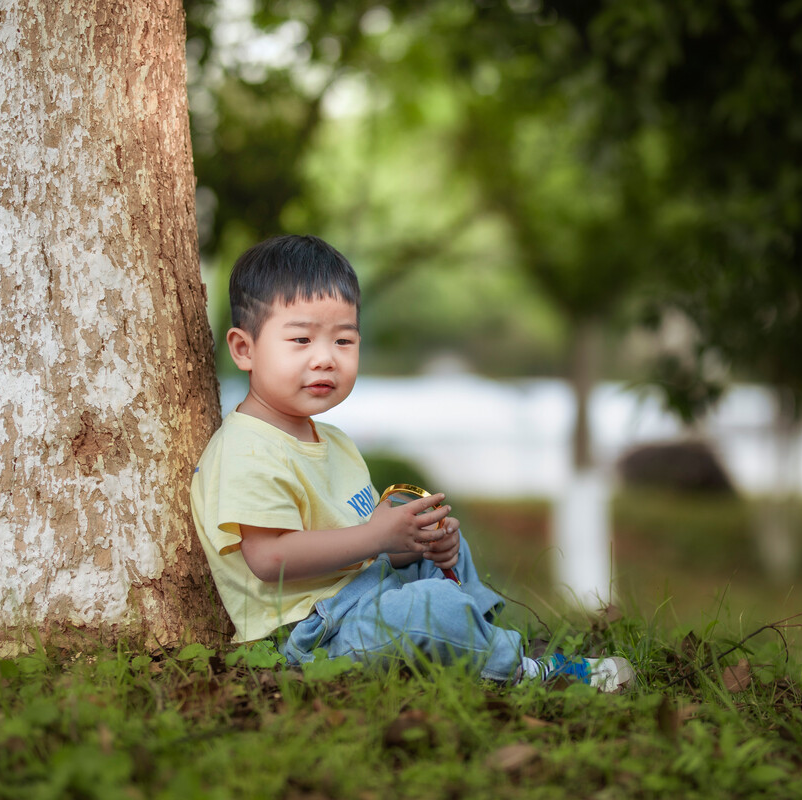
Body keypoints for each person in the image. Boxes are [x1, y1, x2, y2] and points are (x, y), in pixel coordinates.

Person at [190, 234, 634, 691]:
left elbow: (360, 544)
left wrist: (407, 543)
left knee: (432, 531)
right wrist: (374, 536)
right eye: (301, 339)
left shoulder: (334, 440)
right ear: (244, 349)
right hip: (313, 633)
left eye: (344, 340)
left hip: (364, 595)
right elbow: (269, 558)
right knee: (430, 611)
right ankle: (522, 669)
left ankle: (476, 637)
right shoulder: (246, 448)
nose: (325, 359)